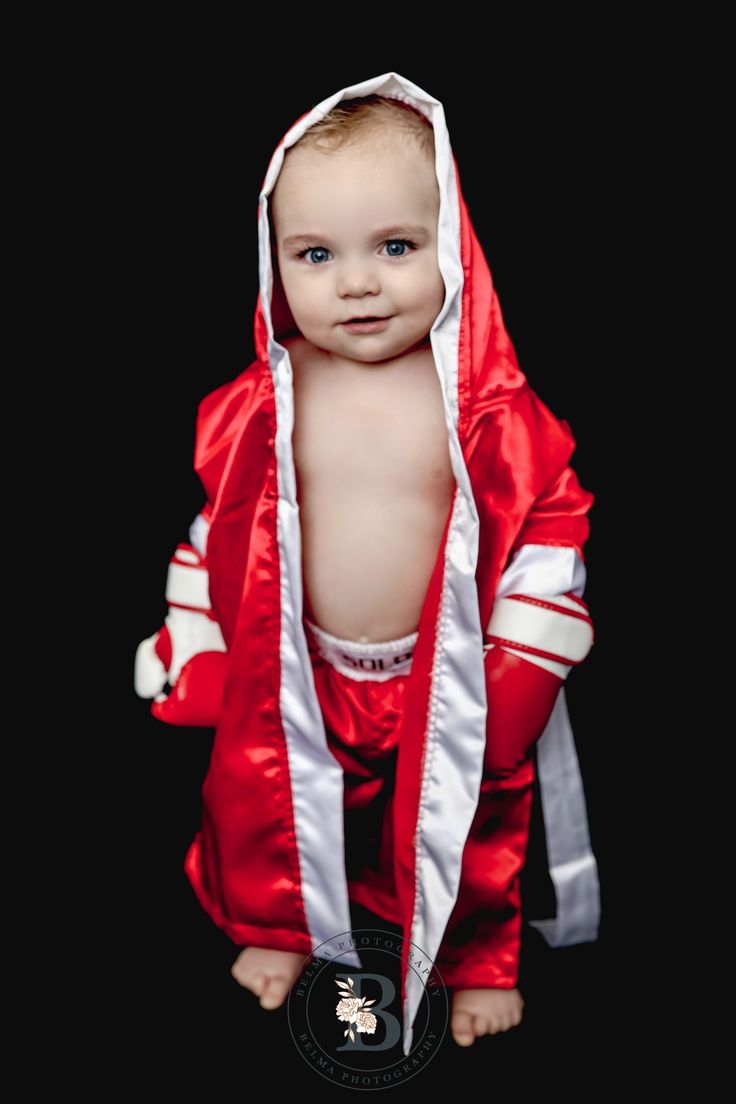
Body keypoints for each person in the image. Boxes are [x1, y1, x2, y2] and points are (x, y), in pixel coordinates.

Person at [134, 72, 599, 1056]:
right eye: (316, 254)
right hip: (299, 664)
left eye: (394, 247)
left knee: (471, 812)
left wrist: (525, 658)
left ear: (454, 244)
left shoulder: (480, 404)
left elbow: (551, 520)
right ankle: (277, 926)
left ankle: (476, 956)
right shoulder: (265, 397)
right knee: (259, 794)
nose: (355, 282)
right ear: (275, 263)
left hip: (450, 672)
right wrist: (195, 635)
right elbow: (218, 523)